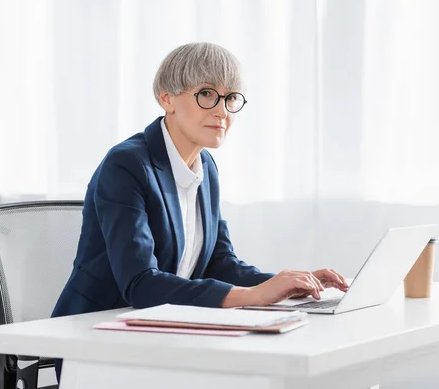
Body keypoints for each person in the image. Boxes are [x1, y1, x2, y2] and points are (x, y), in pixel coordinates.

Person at [51, 42, 348, 381]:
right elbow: (140, 284)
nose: (222, 111)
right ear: (167, 98)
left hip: (162, 333)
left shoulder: (205, 165)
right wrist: (252, 296)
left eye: (230, 98)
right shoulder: (127, 164)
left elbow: (220, 263)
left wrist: (288, 284)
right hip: (100, 339)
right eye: (207, 94)